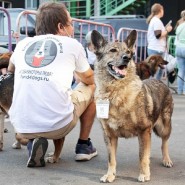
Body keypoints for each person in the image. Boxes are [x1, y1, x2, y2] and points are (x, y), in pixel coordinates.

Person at [8, 2, 97, 167]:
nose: (72, 28)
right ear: (60, 27)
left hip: (21, 126)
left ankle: (32, 142)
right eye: (71, 24)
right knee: (92, 88)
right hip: (57, 125)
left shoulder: (22, 44)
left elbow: (10, 70)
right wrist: (76, 73)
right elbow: (90, 80)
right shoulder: (72, 44)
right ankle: (84, 146)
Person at [146, 3, 172, 80]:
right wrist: (167, 30)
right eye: (162, 9)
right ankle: (153, 88)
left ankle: (155, 87)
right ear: (160, 10)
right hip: (156, 49)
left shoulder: (155, 20)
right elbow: (158, 35)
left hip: (156, 48)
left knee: (156, 71)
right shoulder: (156, 21)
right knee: (155, 71)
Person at [175, 10, 185, 95]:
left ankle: (179, 90)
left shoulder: (180, 26)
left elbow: (177, 38)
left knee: (181, 70)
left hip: (178, 49)